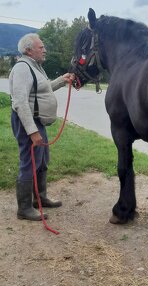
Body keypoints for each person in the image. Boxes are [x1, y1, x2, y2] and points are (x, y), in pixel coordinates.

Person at [9, 33, 74, 221]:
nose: (44, 49)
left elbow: (42, 90)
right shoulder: (22, 68)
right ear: (29, 50)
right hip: (27, 122)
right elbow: (20, 102)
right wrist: (32, 131)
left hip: (37, 121)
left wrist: (62, 80)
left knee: (42, 160)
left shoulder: (34, 66)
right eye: (41, 47)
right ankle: (24, 208)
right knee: (29, 162)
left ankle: (40, 198)